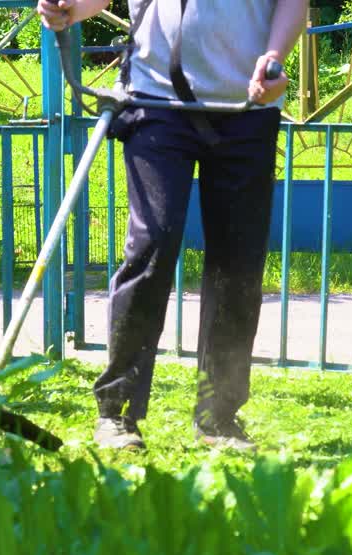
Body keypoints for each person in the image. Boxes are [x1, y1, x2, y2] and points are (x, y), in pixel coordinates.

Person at [36, 0, 308, 451]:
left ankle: (218, 417)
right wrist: (67, 9)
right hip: (156, 103)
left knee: (237, 265)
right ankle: (117, 412)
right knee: (152, 246)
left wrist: (275, 57)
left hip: (247, 106)